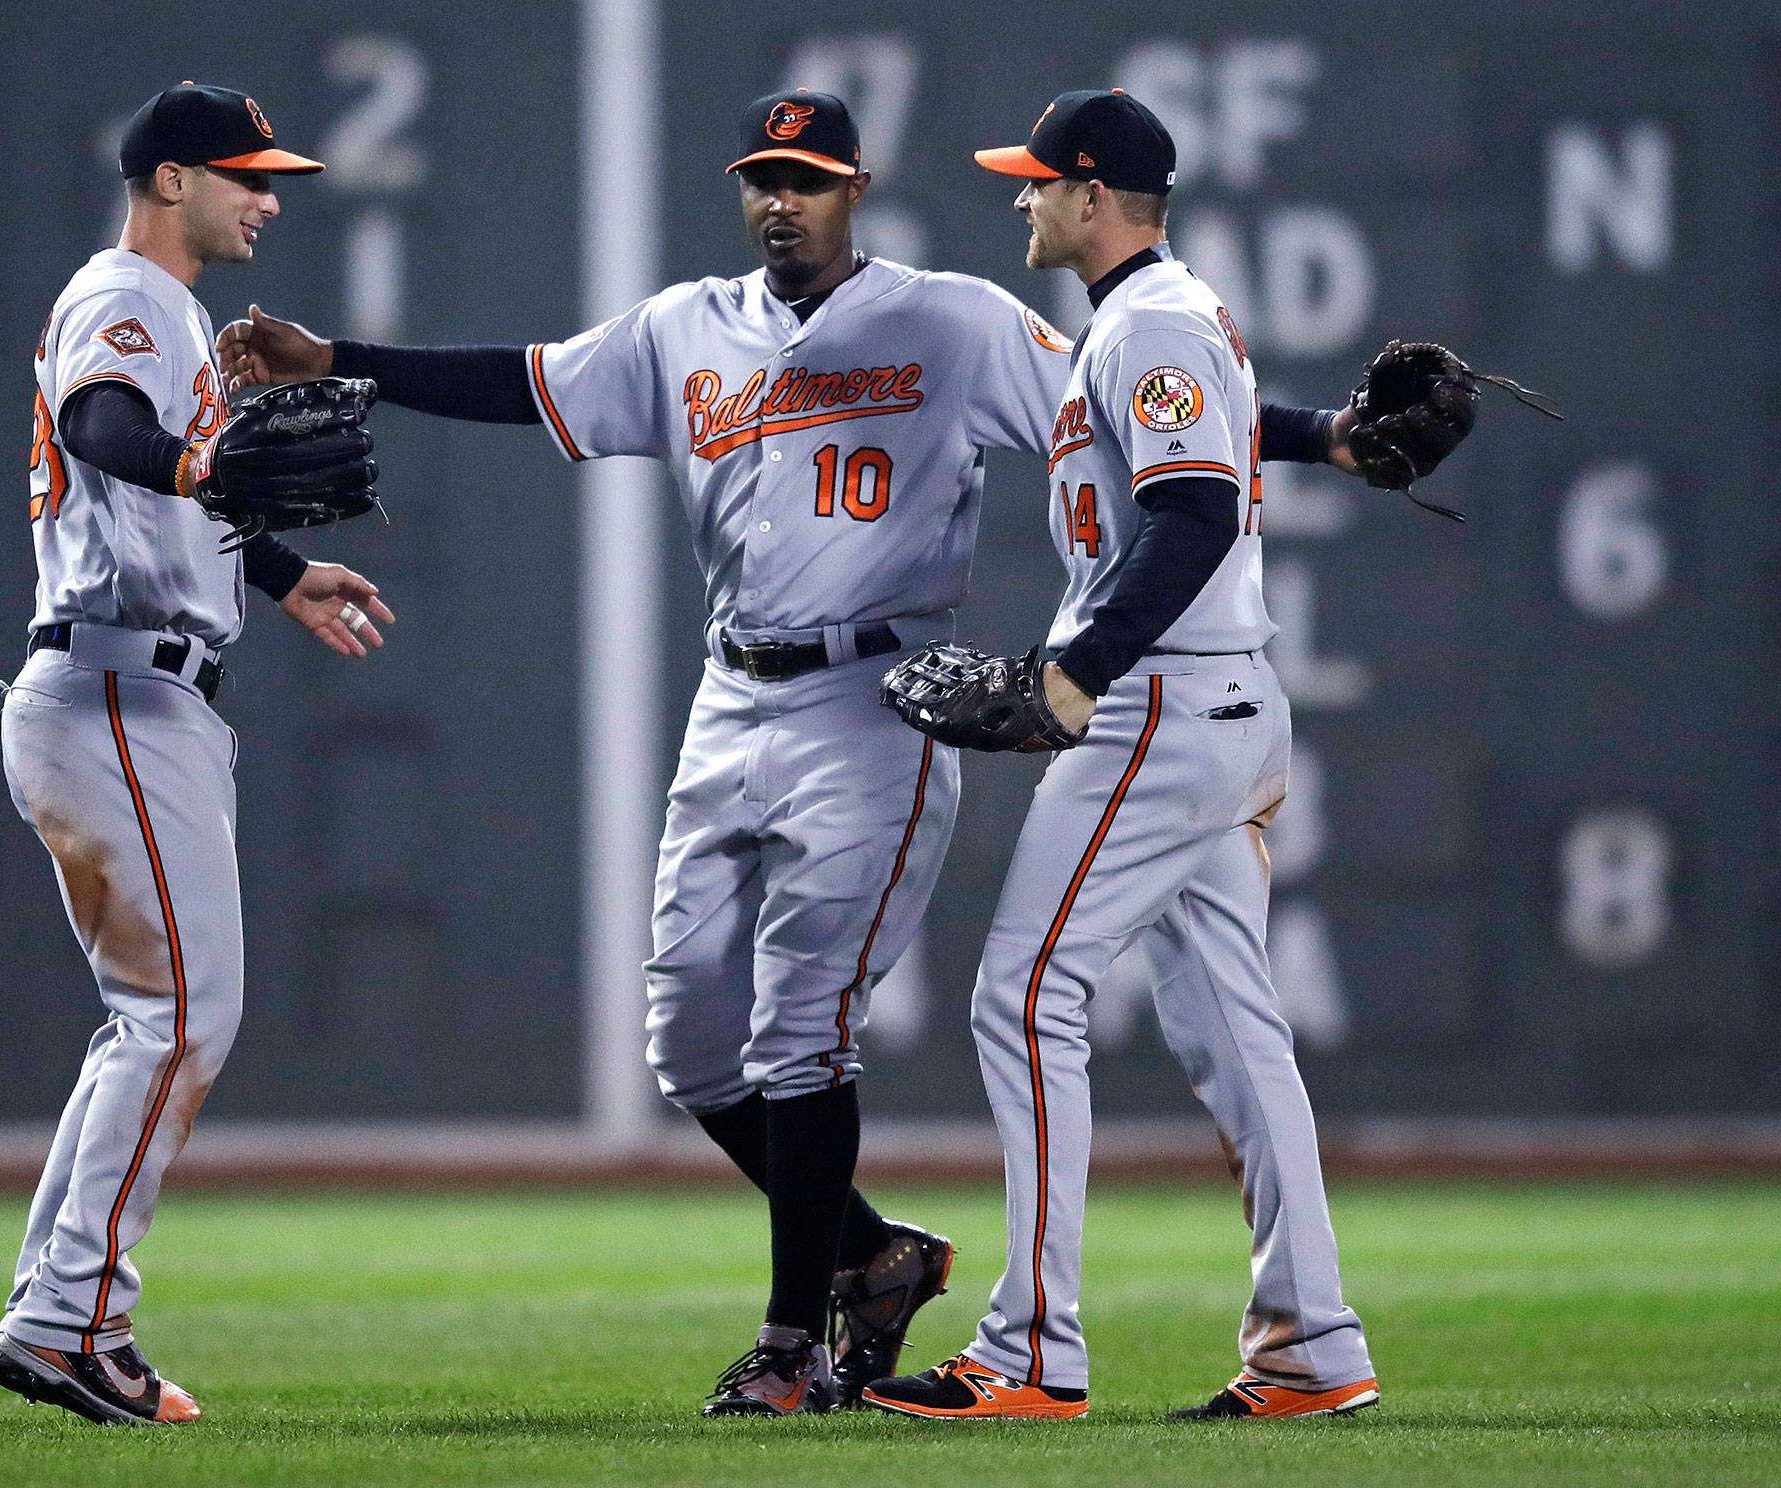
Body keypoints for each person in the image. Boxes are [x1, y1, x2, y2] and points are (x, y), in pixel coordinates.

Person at [219, 89, 1361, 1416]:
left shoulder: (957, 319)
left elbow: (1163, 432)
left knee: (872, 1017)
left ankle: (835, 1342)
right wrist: (339, 361)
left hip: (888, 699)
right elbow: (524, 383)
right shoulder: (685, 329)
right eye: (762, 174)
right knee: (694, 1043)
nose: (781, 198)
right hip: (738, 695)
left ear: (854, 191)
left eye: (808, 177)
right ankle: (927, 1269)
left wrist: (1314, 442)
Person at [863, 90, 1385, 1422]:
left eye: (1038, 183)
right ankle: (1312, 1345)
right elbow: (1223, 445)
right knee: (1235, 1031)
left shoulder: (1150, 323)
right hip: (1215, 707)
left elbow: (1196, 510)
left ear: (1096, 196)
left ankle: (1032, 1350)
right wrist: (1331, 435)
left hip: (1159, 702)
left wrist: (1075, 673)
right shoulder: (1160, 318)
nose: (1020, 200)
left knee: (1023, 995)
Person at [0, 82, 393, 1427]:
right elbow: (107, 430)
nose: (267, 199)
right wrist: (216, 480)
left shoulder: (167, 314)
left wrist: (276, 572)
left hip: (121, 688)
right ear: (172, 181)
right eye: (245, 176)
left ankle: (58, 1314)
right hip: (116, 696)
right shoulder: (134, 294)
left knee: (151, 1027)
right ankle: (69, 1325)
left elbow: (145, 486)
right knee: (180, 1022)